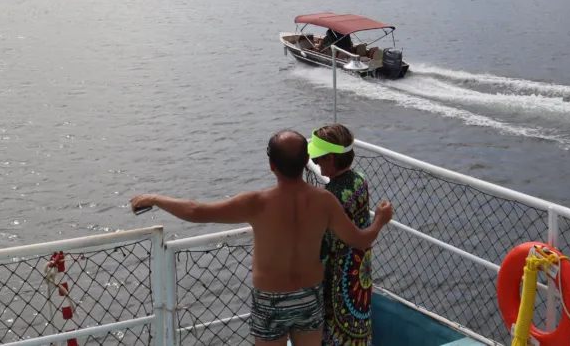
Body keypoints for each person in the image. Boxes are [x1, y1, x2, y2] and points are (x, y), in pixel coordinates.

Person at [129, 130, 394, 346]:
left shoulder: (256, 202)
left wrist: (155, 199)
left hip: (271, 299)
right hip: (310, 296)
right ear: (305, 163)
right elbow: (360, 240)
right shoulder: (325, 200)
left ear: (271, 165)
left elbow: (196, 211)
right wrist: (380, 220)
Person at [309, 125, 373, 346]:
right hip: (358, 269)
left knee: (336, 325)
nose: (315, 164)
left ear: (331, 159)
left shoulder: (329, 197)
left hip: (336, 274)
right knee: (358, 318)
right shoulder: (360, 180)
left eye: (318, 160)